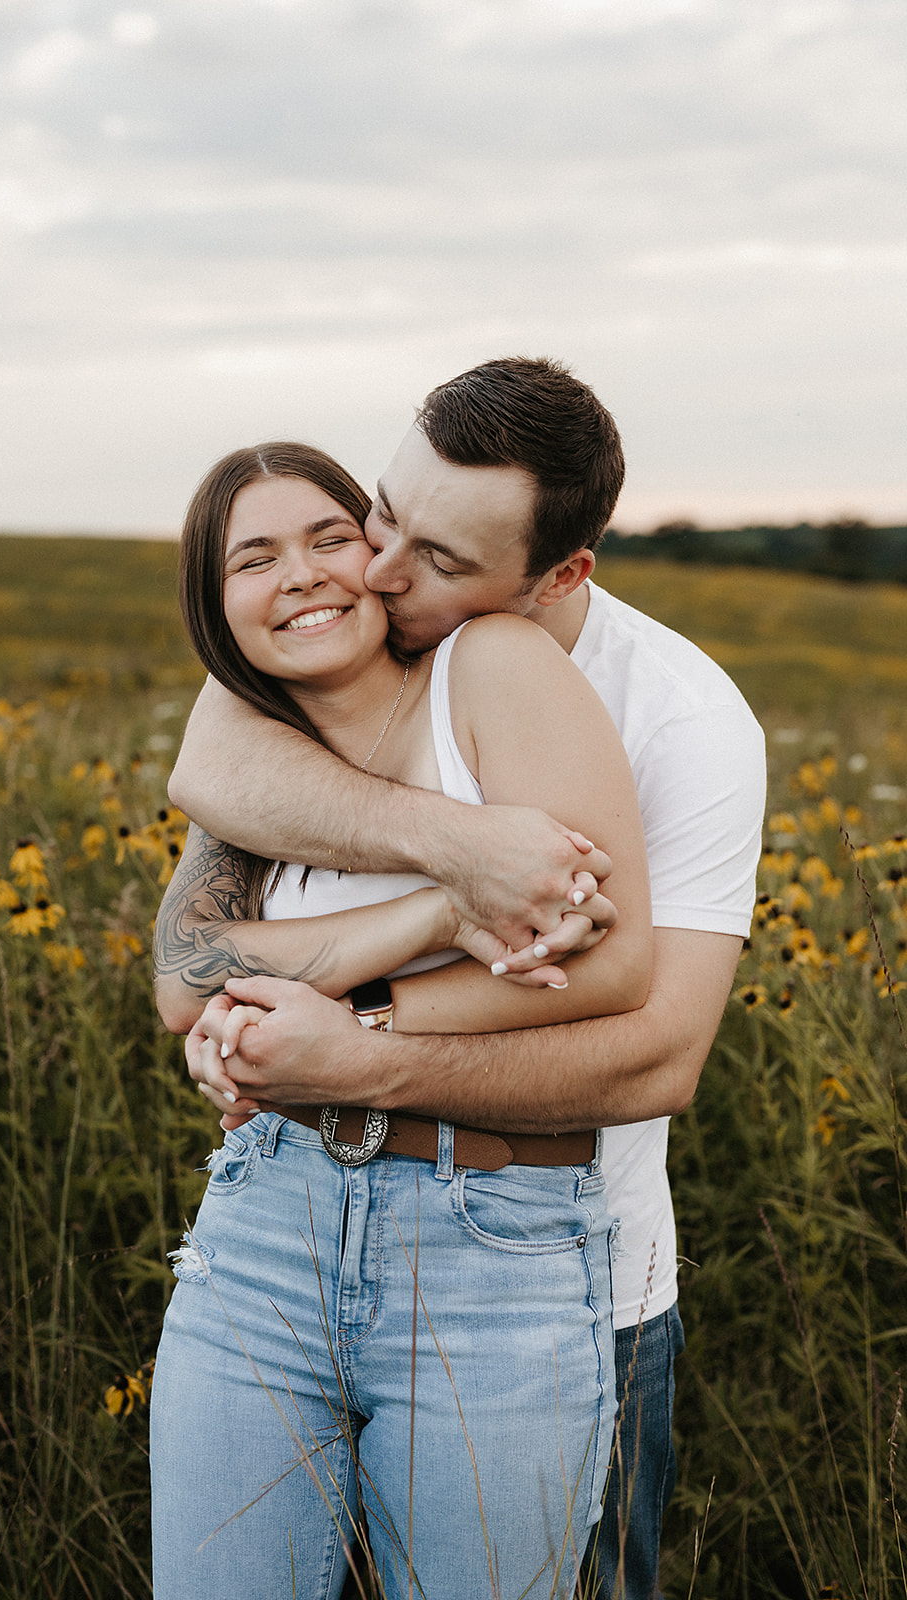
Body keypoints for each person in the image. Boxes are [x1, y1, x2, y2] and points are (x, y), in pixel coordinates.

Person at [166, 358, 768, 1600]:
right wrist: (454, 863)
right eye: (383, 513)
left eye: (435, 558)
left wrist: (350, 1043)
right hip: (276, 1217)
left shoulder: (680, 720)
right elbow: (192, 941)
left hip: (544, 1253)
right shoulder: (305, 670)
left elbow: (657, 1043)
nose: (377, 570)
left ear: (557, 576)